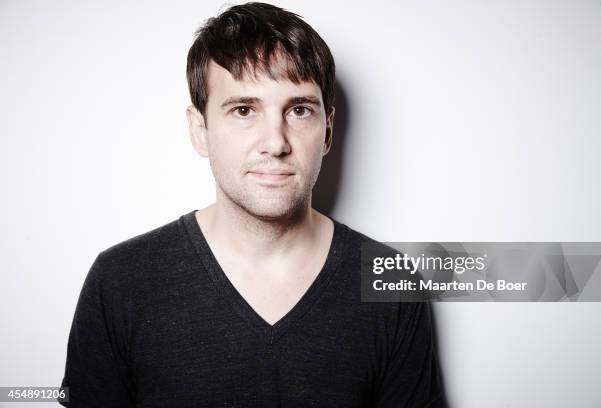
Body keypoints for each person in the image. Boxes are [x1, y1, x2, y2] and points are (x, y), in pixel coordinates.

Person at [58, 2, 446, 407]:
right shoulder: (120, 282)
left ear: (328, 131)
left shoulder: (392, 286)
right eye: (243, 110)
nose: (275, 142)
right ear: (200, 130)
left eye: (299, 110)